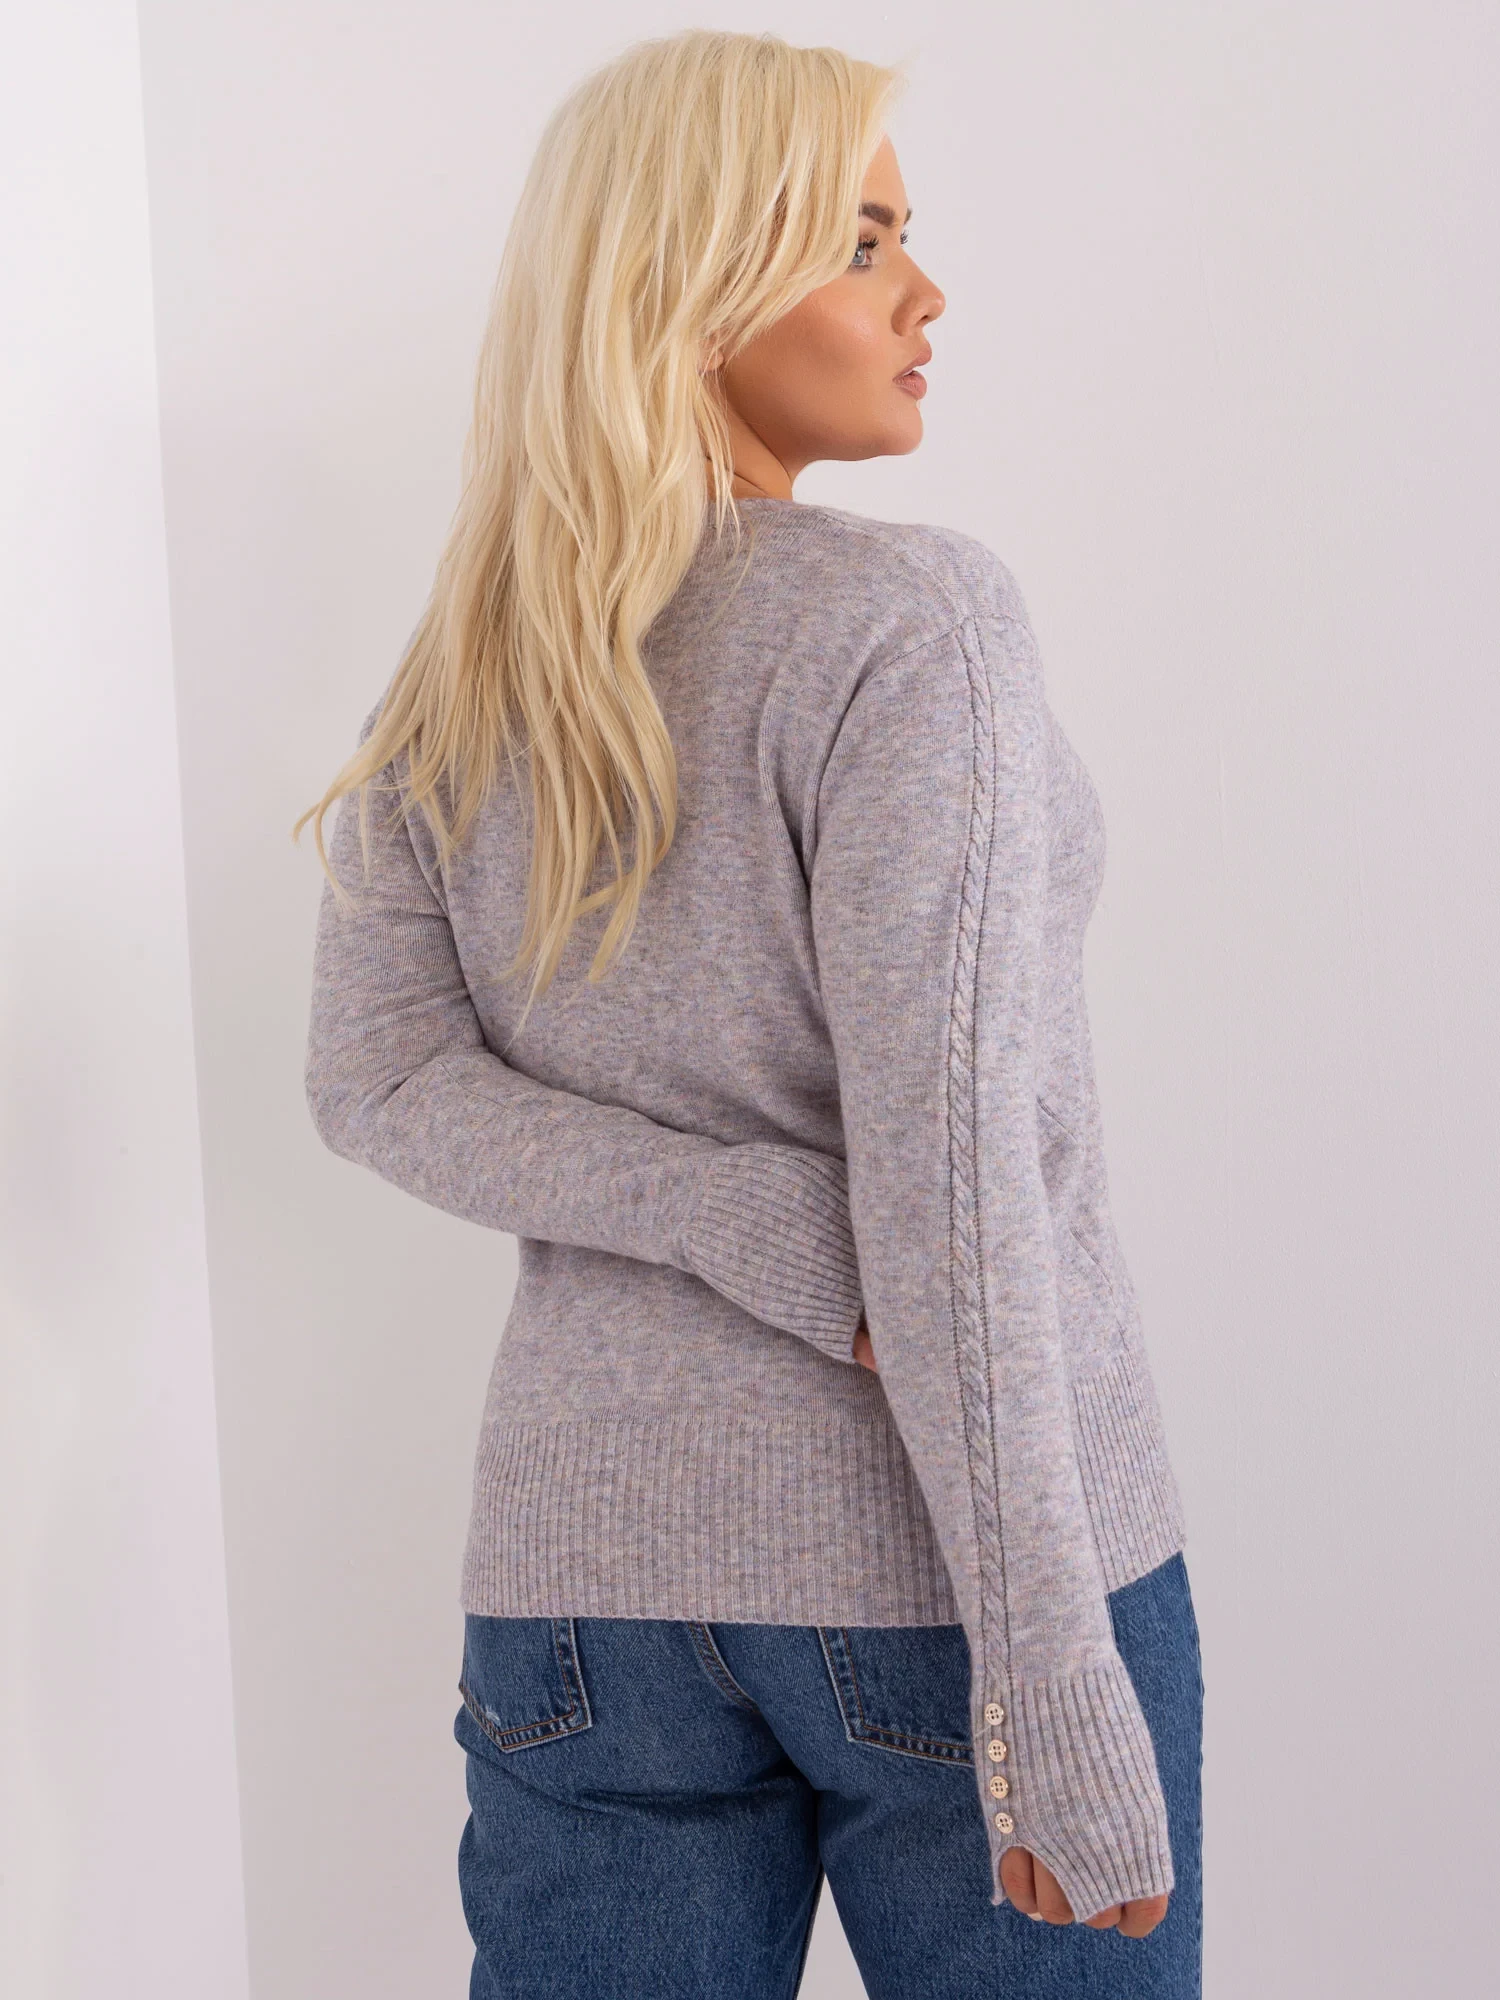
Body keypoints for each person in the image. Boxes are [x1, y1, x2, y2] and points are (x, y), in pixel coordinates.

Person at [297, 27, 1201, 2000]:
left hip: (582, 1604)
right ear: (695, 283)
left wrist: (711, 1209)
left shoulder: (470, 673)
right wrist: (1054, 1677)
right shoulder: (908, 625)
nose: (925, 292)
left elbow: (379, 1079)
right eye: (862, 240)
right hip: (949, 1588)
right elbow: (953, 1183)